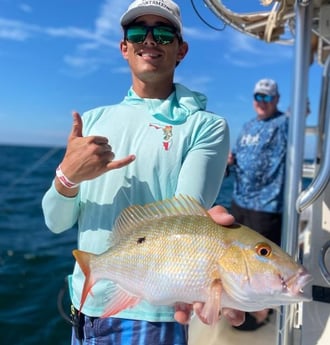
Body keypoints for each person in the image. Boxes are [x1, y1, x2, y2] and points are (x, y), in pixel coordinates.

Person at [42, 1, 244, 344]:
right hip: (85, 304)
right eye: (138, 32)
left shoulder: (205, 127)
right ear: (124, 48)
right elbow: (55, 222)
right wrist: (68, 176)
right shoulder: (90, 122)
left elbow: (185, 213)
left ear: (181, 50)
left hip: (148, 311)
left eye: (164, 33)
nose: (150, 40)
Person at [227, 78, 288, 331]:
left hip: (267, 205)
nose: (261, 102)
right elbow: (237, 154)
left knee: (263, 263)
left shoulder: (284, 123)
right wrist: (228, 160)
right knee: (238, 259)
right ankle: (241, 302)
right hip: (239, 201)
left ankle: (262, 310)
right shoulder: (248, 125)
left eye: (267, 98)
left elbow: (301, 111)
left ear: (276, 99)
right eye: (258, 97)